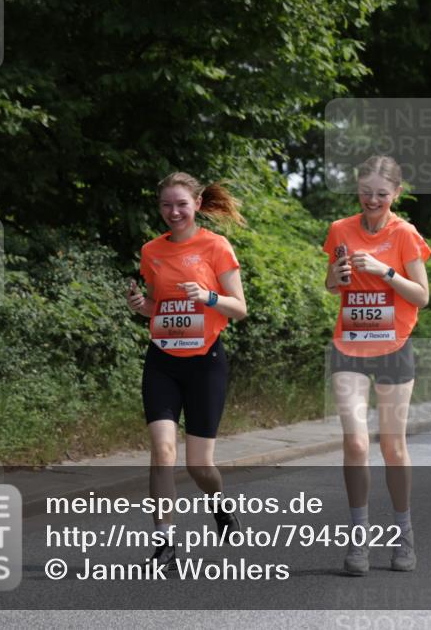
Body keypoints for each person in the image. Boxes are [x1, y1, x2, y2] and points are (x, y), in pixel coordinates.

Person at [126, 171, 247, 570]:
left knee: (199, 467)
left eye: (181, 204)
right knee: (162, 451)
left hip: (205, 363)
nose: (173, 212)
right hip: (161, 361)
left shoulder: (216, 246)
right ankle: (165, 543)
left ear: (197, 204)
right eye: (166, 205)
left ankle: (219, 502)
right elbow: (158, 307)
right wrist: (141, 305)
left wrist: (209, 296)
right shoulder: (151, 251)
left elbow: (239, 308)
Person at [323, 155, 431, 575]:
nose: (372, 200)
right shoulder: (340, 230)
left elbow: (421, 296)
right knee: (354, 443)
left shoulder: (404, 234)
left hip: (393, 346)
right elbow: (332, 285)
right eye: (366, 192)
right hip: (348, 344)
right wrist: (340, 274)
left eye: (381, 194)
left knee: (392, 446)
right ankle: (358, 541)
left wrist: (385, 271)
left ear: (396, 195)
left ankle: (403, 536)